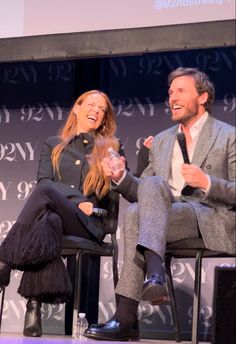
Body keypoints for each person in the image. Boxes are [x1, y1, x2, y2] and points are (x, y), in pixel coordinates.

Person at [84, 67, 236, 341]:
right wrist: (121, 177)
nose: (172, 98)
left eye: (181, 91)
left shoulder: (228, 135)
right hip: (167, 215)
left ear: (202, 97)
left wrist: (207, 182)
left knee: (136, 214)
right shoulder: (163, 139)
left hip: (208, 216)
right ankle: (153, 279)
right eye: (170, 93)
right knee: (141, 201)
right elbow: (143, 191)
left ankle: (127, 315)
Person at [0, 90, 125, 337]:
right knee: (48, 220)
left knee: (45, 196)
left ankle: (4, 261)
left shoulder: (111, 148)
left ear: (104, 118)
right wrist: (78, 199)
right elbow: (44, 180)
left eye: (102, 109)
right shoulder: (53, 145)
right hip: (59, 220)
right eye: (91, 105)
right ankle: (33, 307)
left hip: (90, 222)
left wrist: (88, 204)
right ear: (77, 109)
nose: (96, 111)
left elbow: (114, 194)